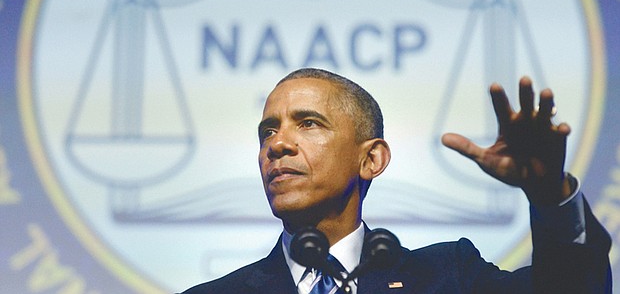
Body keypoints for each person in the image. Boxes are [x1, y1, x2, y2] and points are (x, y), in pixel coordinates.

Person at [180, 68, 611, 293]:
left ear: (372, 159)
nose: (278, 145)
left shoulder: (449, 278)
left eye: (308, 123)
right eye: (267, 131)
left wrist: (549, 196)